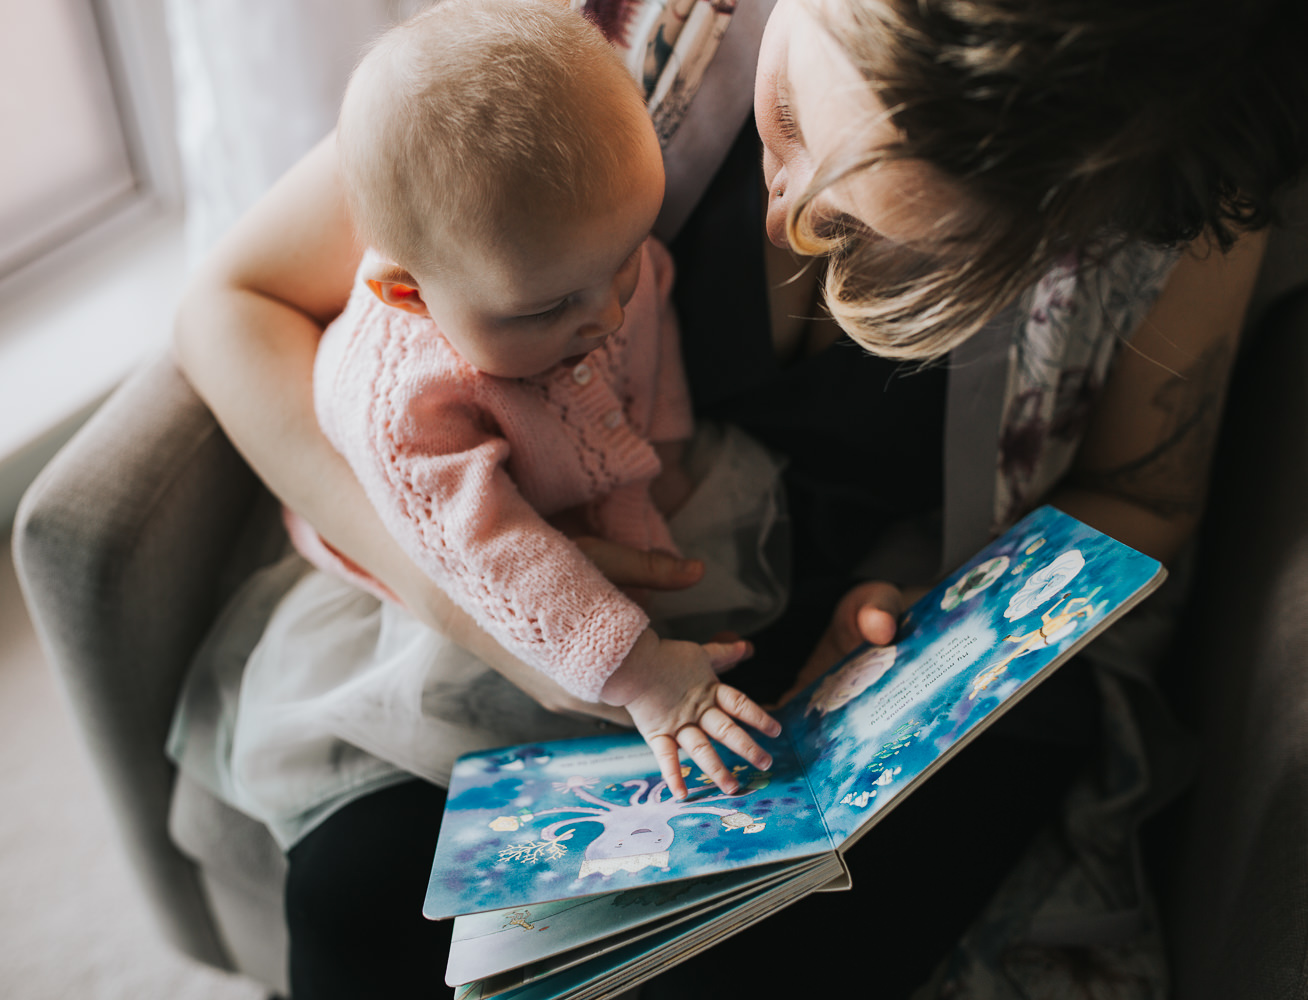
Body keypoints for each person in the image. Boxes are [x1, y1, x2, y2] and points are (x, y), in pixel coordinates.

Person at [170, 0, 1308, 995]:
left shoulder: (1170, 197)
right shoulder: (602, 37)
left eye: (902, 238)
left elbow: (1141, 493)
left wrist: (931, 616)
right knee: (362, 896)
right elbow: (237, 299)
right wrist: (491, 603)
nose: (789, 222)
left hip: (889, 623)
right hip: (548, 589)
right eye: (797, 125)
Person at [225, 0, 783, 828]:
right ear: (409, 294)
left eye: (620, 261)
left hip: (573, 499)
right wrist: (637, 672)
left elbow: (651, 320)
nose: (603, 316)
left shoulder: (596, 255)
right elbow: (486, 550)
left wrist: (660, 457)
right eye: (549, 308)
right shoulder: (402, 405)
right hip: (445, 570)